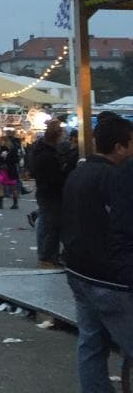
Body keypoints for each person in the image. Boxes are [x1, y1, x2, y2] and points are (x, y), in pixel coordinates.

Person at [61, 112, 133, 392]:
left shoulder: (79, 173)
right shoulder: (116, 178)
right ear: (119, 147)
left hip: (78, 271)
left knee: (91, 344)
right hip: (110, 279)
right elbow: (122, 229)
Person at [28, 120, 66, 268]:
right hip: (50, 192)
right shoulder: (48, 154)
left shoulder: (40, 149)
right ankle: (47, 258)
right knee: (50, 225)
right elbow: (53, 177)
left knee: (47, 223)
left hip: (45, 192)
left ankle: (47, 257)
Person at [0, 134, 21, 210]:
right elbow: (17, 160)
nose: (0, 142)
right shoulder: (14, 149)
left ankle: (0, 203)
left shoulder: (3, 149)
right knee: (12, 187)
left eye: (1, 141)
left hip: (5, 170)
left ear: (4, 141)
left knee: (2, 186)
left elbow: (1, 159)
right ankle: (15, 204)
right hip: (12, 169)